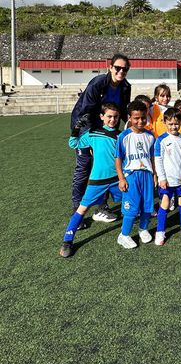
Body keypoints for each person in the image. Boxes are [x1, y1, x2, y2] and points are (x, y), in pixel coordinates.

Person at [70, 53, 131, 223]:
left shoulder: (126, 86)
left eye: (125, 69)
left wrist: (132, 128)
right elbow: (86, 111)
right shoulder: (98, 83)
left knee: (108, 165)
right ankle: (77, 210)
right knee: (84, 167)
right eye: (118, 68)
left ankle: (101, 208)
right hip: (86, 127)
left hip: (108, 128)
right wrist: (93, 138)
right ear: (110, 67)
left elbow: (124, 112)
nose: (121, 71)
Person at [59, 103, 123, 258]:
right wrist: (76, 128)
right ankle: (67, 240)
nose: (112, 119)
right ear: (102, 117)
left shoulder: (121, 135)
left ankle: (136, 227)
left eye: (115, 117)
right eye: (109, 116)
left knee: (132, 202)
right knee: (82, 209)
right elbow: (73, 143)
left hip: (117, 179)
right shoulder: (93, 133)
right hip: (97, 180)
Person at [114, 100, 156, 249]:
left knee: (147, 206)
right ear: (129, 118)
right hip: (131, 176)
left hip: (147, 175)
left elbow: (152, 157)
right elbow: (118, 158)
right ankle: (124, 235)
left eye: (143, 117)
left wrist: (155, 174)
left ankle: (143, 229)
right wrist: (121, 178)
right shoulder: (124, 136)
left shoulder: (150, 136)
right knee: (131, 208)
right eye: (136, 118)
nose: (140, 121)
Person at [154, 107, 181, 246]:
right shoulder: (161, 140)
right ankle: (160, 231)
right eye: (171, 124)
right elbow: (158, 160)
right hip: (167, 180)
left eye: (176, 123)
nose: (174, 126)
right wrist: (161, 178)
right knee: (165, 204)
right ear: (165, 122)